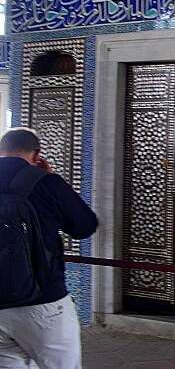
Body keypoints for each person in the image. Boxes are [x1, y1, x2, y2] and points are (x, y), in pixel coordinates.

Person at [0, 128, 98, 369]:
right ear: (37, 154)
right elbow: (84, 226)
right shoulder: (44, 180)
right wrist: (50, 179)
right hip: (42, 301)